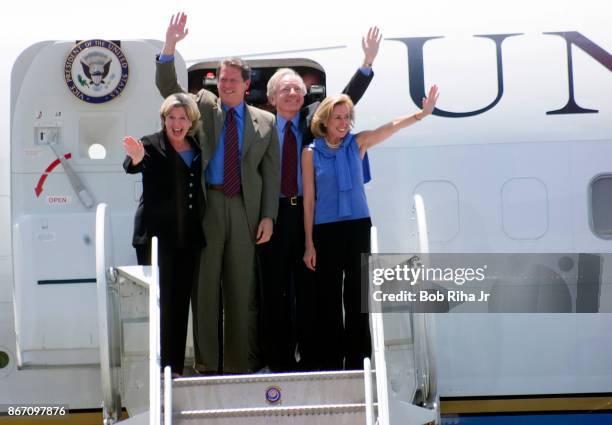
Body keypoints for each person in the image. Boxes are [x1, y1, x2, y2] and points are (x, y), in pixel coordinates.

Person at [156, 12, 280, 374]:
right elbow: (168, 89)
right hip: (209, 205)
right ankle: (208, 364)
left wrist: (268, 216)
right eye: (221, 79)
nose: (225, 85)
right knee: (206, 289)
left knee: (242, 290)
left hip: (245, 210)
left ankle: (240, 364)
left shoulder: (266, 121)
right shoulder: (205, 107)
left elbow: (269, 174)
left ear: (246, 83)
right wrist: (169, 46)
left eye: (231, 80)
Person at [259, 27, 382, 372]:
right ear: (271, 97)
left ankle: (318, 356)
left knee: (313, 289)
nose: (293, 95)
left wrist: (367, 62)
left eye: (298, 90)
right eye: (286, 90)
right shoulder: (261, 126)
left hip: (311, 214)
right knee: (276, 290)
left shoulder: (314, 121)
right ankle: (279, 359)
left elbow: (346, 99)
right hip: (277, 213)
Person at [302, 86, 439, 370]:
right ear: (324, 120)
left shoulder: (358, 143)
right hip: (325, 230)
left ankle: (358, 361)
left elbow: (389, 128)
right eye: (337, 117)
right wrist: (309, 243)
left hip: (357, 226)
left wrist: (421, 115)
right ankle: (331, 361)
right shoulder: (310, 153)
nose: (343, 123)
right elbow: (309, 200)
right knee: (328, 298)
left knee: (356, 295)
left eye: (347, 117)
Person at [123, 93, 206, 377]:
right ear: (164, 120)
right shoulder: (150, 143)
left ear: (191, 121)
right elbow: (134, 164)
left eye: (182, 118)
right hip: (156, 238)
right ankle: (160, 367)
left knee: (181, 301)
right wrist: (135, 158)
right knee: (161, 302)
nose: (176, 123)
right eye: (171, 118)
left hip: (188, 237)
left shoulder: (195, 146)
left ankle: (175, 368)